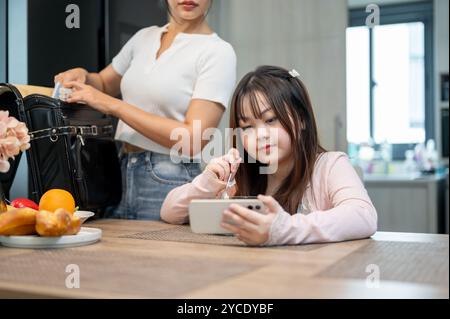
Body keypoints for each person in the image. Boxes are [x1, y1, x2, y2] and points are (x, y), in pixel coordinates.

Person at [54, 0, 236, 220]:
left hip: (169, 178)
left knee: (159, 254)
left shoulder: (217, 52)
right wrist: (83, 75)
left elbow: (192, 140)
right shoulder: (144, 37)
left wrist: (114, 106)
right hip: (118, 172)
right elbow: (103, 83)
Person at [161, 65, 377, 246]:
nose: (260, 135)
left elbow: (363, 216)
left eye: (271, 120)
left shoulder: (330, 166)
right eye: (247, 127)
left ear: (301, 119)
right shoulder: (237, 178)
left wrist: (282, 230)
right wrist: (206, 184)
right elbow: (170, 212)